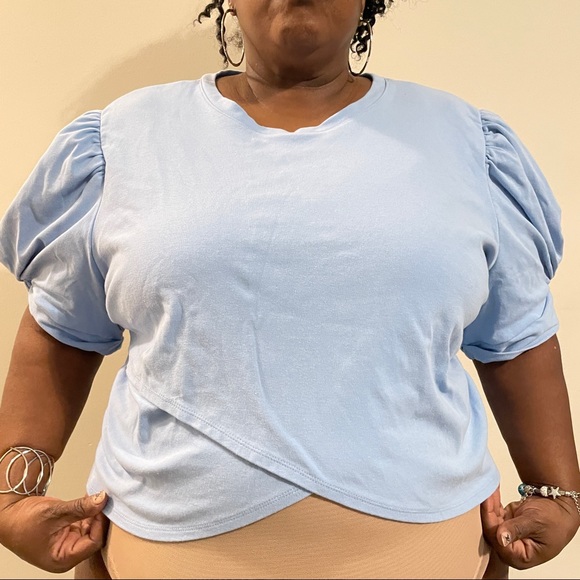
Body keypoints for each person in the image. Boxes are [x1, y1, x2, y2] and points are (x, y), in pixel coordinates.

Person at [0, 0, 578, 578]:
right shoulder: (124, 139)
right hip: (162, 542)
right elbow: (62, 330)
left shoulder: (464, 143)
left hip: (428, 548)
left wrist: (560, 495)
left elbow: (515, 336)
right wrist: (12, 494)